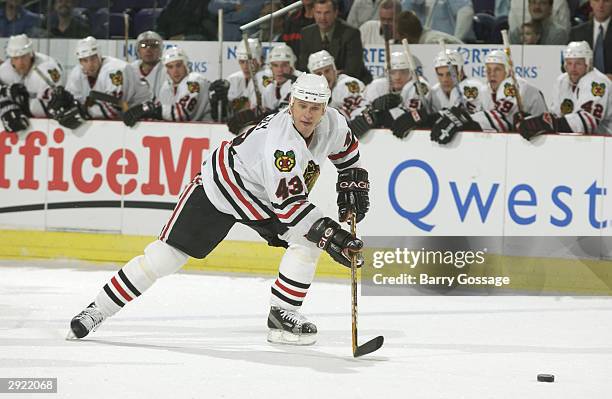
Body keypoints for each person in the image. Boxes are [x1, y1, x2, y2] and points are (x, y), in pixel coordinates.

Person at [67, 73, 369, 347]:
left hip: (265, 197)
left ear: (325, 108)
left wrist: (352, 179)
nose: (308, 113)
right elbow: (290, 211)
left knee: (306, 244)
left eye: (315, 108)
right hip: (222, 186)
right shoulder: (282, 145)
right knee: (164, 257)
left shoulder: (334, 122)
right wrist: (336, 237)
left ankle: (282, 316)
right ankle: (97, 309)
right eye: (302, 105)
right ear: (291, 103)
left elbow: (348, 156)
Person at [427, 50, 548, 144]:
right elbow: (474, 115)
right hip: (526, 140)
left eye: (497, 70)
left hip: (544, 139)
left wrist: (463, 119)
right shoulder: (486, 90)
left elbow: (501, 119)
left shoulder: (515, 84)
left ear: (508, 71)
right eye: (488, 70)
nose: (492, 74)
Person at [49, 36, 151, 129]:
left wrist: (84, 112)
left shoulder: (115, 70)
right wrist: (66, 106)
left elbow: (115, 109)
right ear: (80, 61)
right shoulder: (77, 73)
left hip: (144, 117)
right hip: (123, 121)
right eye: (85, 60)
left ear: (99, 56)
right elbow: (77, 103)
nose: (90, 64)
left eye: (93, 58)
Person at [517, 41, 612, 138]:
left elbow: (587, 122)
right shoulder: (562, 81)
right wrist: (532, 119)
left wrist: (549, 124)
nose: (573, 68)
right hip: (576, 141)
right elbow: (556, 115)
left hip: (605, 143)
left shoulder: (598, 83)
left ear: (588, 64)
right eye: (569, 63)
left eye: (578, 63)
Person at [385, 48, 484, 139]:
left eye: (449, 74)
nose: (445, 80)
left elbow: (463, 117)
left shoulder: (472, 87)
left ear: (460, 71)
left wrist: (425, 116)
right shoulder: (436, 91)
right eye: (440, 75)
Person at [122, 46, 212, 126]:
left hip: (207, 131)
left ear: (186, 65)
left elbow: (181, 114)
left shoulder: (194, 80)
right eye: (170, 67)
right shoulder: (167, 86)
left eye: (178, 65)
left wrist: (151, 110)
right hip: (184, 133)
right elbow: (160, 109)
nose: (175, 71)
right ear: (166, 70)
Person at [0, 34, 64, 133]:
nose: (20, 63)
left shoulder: (47, 69)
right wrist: (6, 108)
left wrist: (22, 105)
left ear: (31, 54)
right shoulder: (4, 70)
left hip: (52, 127)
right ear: (11, 58)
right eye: (16, 58)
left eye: (23, 57)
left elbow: (55, 105)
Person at [298, 0, 373, 84]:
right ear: (313, 13)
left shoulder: (351, 34)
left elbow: (352, 70)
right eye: (318, 13)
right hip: (318, 84)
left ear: (335, 13)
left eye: (327, 13)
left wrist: (330, 77)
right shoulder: (306, 33)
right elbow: (303, 67)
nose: (322, 17)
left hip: (347, 83)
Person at [226, 38, 272, 134]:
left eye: (250, 61)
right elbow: (243, 104)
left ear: (260, 60)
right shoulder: (233, 78)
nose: (245, 66)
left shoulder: (266, 77)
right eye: (242, 62)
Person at [570, 0, 612, 79]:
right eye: (596, 0)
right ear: (591, 3)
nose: (601, 5)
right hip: (584, 86)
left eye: (606, 1)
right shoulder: (576, 33)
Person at [401, 0, 474, 42]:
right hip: (418, 44)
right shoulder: (407, 3)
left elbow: (466, 13)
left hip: (445, 43)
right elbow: (403, 18)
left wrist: (455, 40)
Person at [262, 43, 302, 112]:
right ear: (271, 68)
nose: (280, 70)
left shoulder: (301, 83)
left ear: (291, 66)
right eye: (275, 65)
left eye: (284, 65)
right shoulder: (269, 87)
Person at [131, 31, 167, 101]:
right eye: (143, 46)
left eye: (153, 46)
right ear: (138, 50)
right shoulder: (130, 69)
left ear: (160, 50)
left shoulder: (168, 70)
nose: (148, 49)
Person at [395, 10, 463, 44]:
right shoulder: (424, 39)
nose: (397, 37)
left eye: (397, 33)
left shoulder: (433, 42)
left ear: (405, 36)